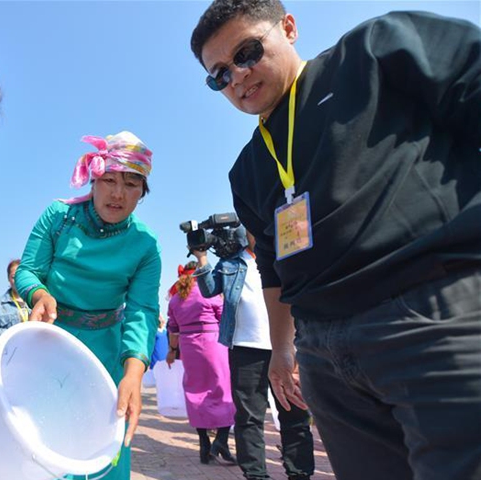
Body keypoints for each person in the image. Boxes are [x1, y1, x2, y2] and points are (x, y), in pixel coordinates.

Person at [190, 2, 481, 478]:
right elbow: (272, 266)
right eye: (219, 75)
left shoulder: (371, 52)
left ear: (288, 27)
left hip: (429, 312)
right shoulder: (246, 170)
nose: (237, 76)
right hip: (324, 357)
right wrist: (283, 349)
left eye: (246, 53)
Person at [15, 131, 161, 480]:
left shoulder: (145, 244)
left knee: (103, 446)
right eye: (109, 180)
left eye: (131, 184)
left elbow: (141, 311)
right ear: (93, 180)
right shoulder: (59, 216)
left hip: (106, 351)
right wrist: (39, 295)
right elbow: (28, 270)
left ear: (142, 192)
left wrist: (133, 374)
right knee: (47, 439)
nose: (118, 193)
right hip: (52, 341)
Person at [193, 229, 313, 479]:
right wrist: (202, 257)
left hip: (290, 346)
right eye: (251, 227)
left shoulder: (290, 256)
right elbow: (209, 290)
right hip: (246, 348)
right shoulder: (231, 263)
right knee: (249, 417)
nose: (257, 230)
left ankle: (299, 473)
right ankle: (255, 474)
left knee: (295, 413)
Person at [166, 261, 236, 466]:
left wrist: (172, 351)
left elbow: (173, 329)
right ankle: (221, 440)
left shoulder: (175, 299)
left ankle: (204, 444)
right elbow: (224, 318)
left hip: (188, 346)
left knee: (196, 392)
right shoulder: (208, 293)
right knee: (223, 388)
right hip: (212, 342)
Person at [0, 259, 30, 349]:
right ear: (8, 279)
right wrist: (10, 335)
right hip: (8, 353)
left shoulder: (36, 302)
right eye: (13, 277)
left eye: (21, 276)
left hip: (32, 352)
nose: (18, 280)